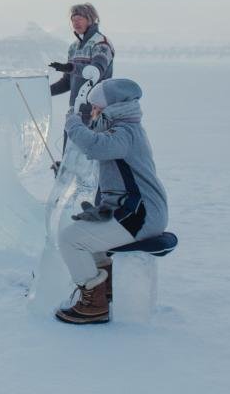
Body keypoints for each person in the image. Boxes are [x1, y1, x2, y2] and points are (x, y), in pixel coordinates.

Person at [54, 78, 168, 324]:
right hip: (133, 210)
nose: (93, 112)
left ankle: (93, 303)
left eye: (96, 107)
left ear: (111, 107)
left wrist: (73, 122)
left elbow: (96, 147)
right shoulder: (122, 130)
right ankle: (106, 289)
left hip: (142, 214)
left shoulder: (125, 132)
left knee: (70, 239)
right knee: (86, 235)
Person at [49, 3, 114, 124]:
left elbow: (96, 71)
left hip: (96, 112)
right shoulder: (74, 47)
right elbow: (67, 82)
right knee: (69, 143)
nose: (75, 23)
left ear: (90, 19)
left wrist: (70, 67)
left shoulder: (101, 43)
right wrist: (45, 92)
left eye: (80, 19)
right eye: (73, 20)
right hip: (75, 111)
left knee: (89, 143)